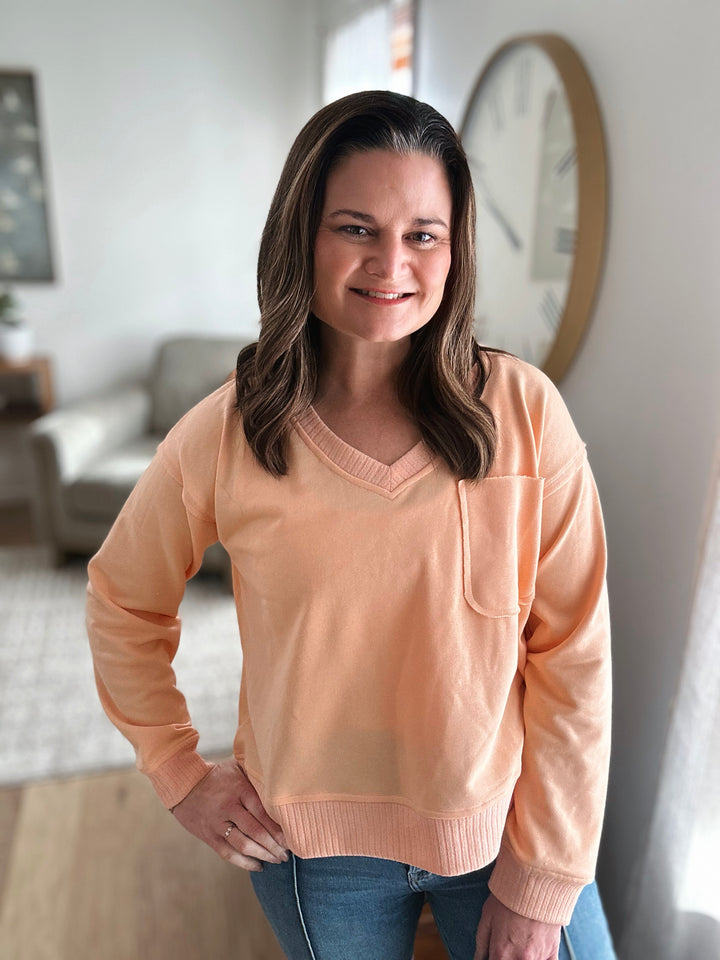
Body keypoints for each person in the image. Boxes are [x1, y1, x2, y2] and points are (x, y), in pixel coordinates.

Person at [87, 91, 615, 960]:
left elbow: (575, 655)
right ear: (303, 234)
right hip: (312, 857)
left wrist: (544, 877)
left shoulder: (524, 414)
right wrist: (180, 774)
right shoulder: (228, 433)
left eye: (423, 234)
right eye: (356, 227)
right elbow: (120, 601)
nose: (391, 264)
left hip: (506, 831)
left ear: (455, 249)